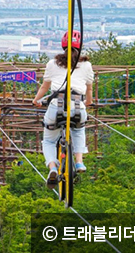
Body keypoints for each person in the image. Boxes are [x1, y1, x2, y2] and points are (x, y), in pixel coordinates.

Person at [33, 30, 94, 189]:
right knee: (79, 130)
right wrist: (88, 101)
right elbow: (89, 90)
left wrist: (36, 100)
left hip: (55, 107)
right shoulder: (86, 65)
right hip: (78, 107)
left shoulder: (52, 64)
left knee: (48, 140)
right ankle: (79, 162)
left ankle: (53, 167)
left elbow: (45, 87)